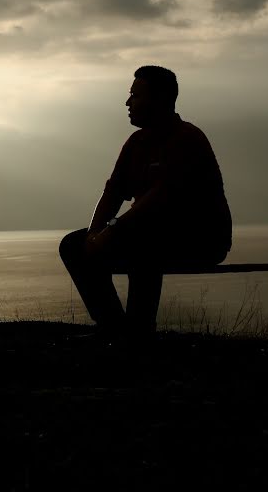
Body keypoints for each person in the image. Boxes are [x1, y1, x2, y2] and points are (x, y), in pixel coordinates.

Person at [59, 66, 232, 337]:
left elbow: (158, 200)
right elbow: (113, 193)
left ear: (160, 99)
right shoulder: (135, 143)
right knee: (73, 245)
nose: (128, 102)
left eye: (135, 95)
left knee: (143, 242)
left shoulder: (187, 138)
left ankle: (139, 330)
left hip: (201, 239)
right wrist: (94, 233)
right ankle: (114, 326)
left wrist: (111, 230)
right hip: (150, 235)